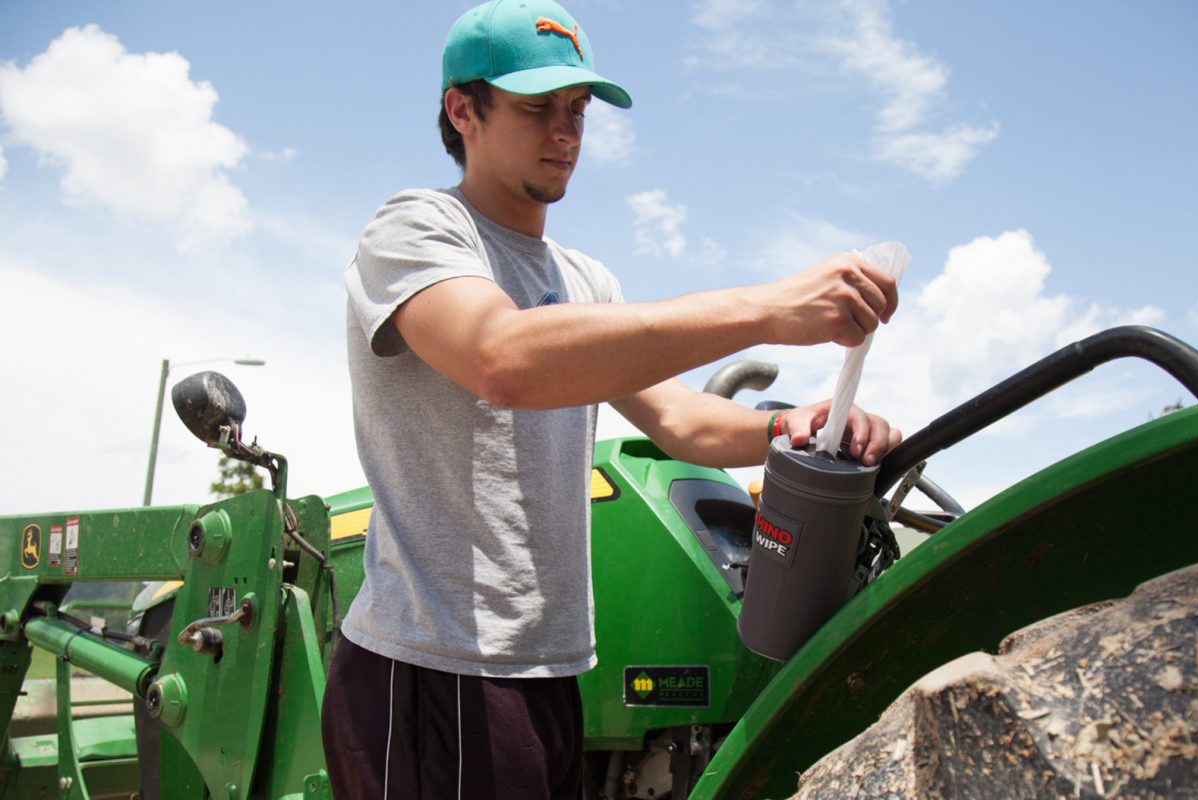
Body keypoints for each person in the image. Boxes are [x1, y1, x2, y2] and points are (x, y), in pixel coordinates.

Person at [319, 0, 902, 797]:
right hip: (433, 669)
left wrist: (795, 426)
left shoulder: (584, 279)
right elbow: (502, 360)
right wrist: (767, 308)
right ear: (464, 110)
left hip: (554, 669)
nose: (565, 133)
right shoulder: (417, 229)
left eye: (577, 111)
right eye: (536, 109)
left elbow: (681, 420)